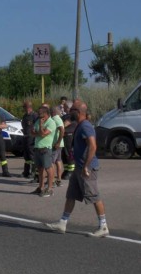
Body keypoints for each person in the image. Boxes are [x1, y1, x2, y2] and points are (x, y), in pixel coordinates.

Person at [45, 100, 109, 237]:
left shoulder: (85, 126)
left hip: (87, 168)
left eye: (72, 109)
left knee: (94, 196)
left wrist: (86, 165)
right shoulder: (80, 125)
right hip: (79, 167)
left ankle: (103, 226)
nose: (69, 112)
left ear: (78, 112)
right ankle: (63, 222)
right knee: (71, 195)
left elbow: (93, 146)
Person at [30, 105, 56, 197]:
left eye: (41, 114)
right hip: (37, 148)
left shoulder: (51, 123)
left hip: (45, 148)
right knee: (40, 169)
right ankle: (40, 187)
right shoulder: (38, 120)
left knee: (48, 168)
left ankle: (50, 188)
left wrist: (40, 126)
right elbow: (32, 133)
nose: (39, 116)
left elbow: (43, 134)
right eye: (39, 114)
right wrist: (39, 132)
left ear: (46, 114)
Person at [20, 100, 37, 178]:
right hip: (25, 137)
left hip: (31, 138)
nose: (23, 108)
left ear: (28, 107)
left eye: (24, 107)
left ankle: (33, 172)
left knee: (32, 155)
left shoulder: (34, 115)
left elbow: (37, 126)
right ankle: (26, 172)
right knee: (26, 156)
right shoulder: (25, 116)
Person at [50, 105, 65, 187]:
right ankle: (58, 180)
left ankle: (51, 181)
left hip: (56, 144)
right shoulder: (58, 118)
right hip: (59, 144)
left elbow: (62, 129)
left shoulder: (55, 119)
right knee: (58, 161)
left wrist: (58, 142)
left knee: (51, 162)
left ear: (53, 112)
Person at [61, 101, 76, 179]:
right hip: (64, 136)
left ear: (69, 108)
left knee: (69, 153)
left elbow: (64, 124)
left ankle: (71, 171)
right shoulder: (65, 116)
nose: (63, 108)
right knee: (64, 154)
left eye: (65, 107)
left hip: (69, 136)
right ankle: (66, 170)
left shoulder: (71, 116)